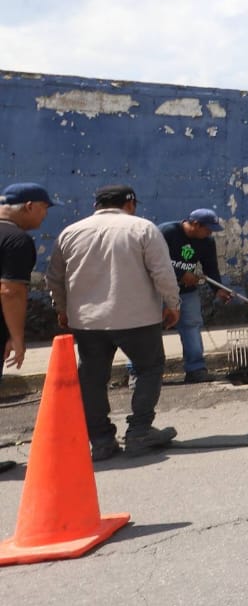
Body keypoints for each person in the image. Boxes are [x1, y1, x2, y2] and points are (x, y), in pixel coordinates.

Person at [46, 184, 181, 462]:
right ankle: (139, 431)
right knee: (149, 368)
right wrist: (172, 304)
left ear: (97, 205)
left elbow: (55, 277)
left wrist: (62, 308)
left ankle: (101, 440)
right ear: (130, 203)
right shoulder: (143, 229)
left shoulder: (70, 232)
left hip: (87, 321)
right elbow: (162, 272)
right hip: (137, 318)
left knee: (92, 379)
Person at [0, 182, 56, 475]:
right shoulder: (15, 240)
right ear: (30, 206)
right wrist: (17, 336)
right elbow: (10, 291)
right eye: (45, 209)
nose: (44, 217)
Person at [159, 208, 232, 383]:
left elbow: (210, 267)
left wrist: (218, 289)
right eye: (207, 229)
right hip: (157, 290)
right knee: (148, 331)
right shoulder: (166, 232)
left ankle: (196, 369)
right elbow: (151, 260)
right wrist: (180, 274)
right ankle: (142, 374)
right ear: (195, 224)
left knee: (191, 326)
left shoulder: (206, 241)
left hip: (186, 292)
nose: (210, 233)